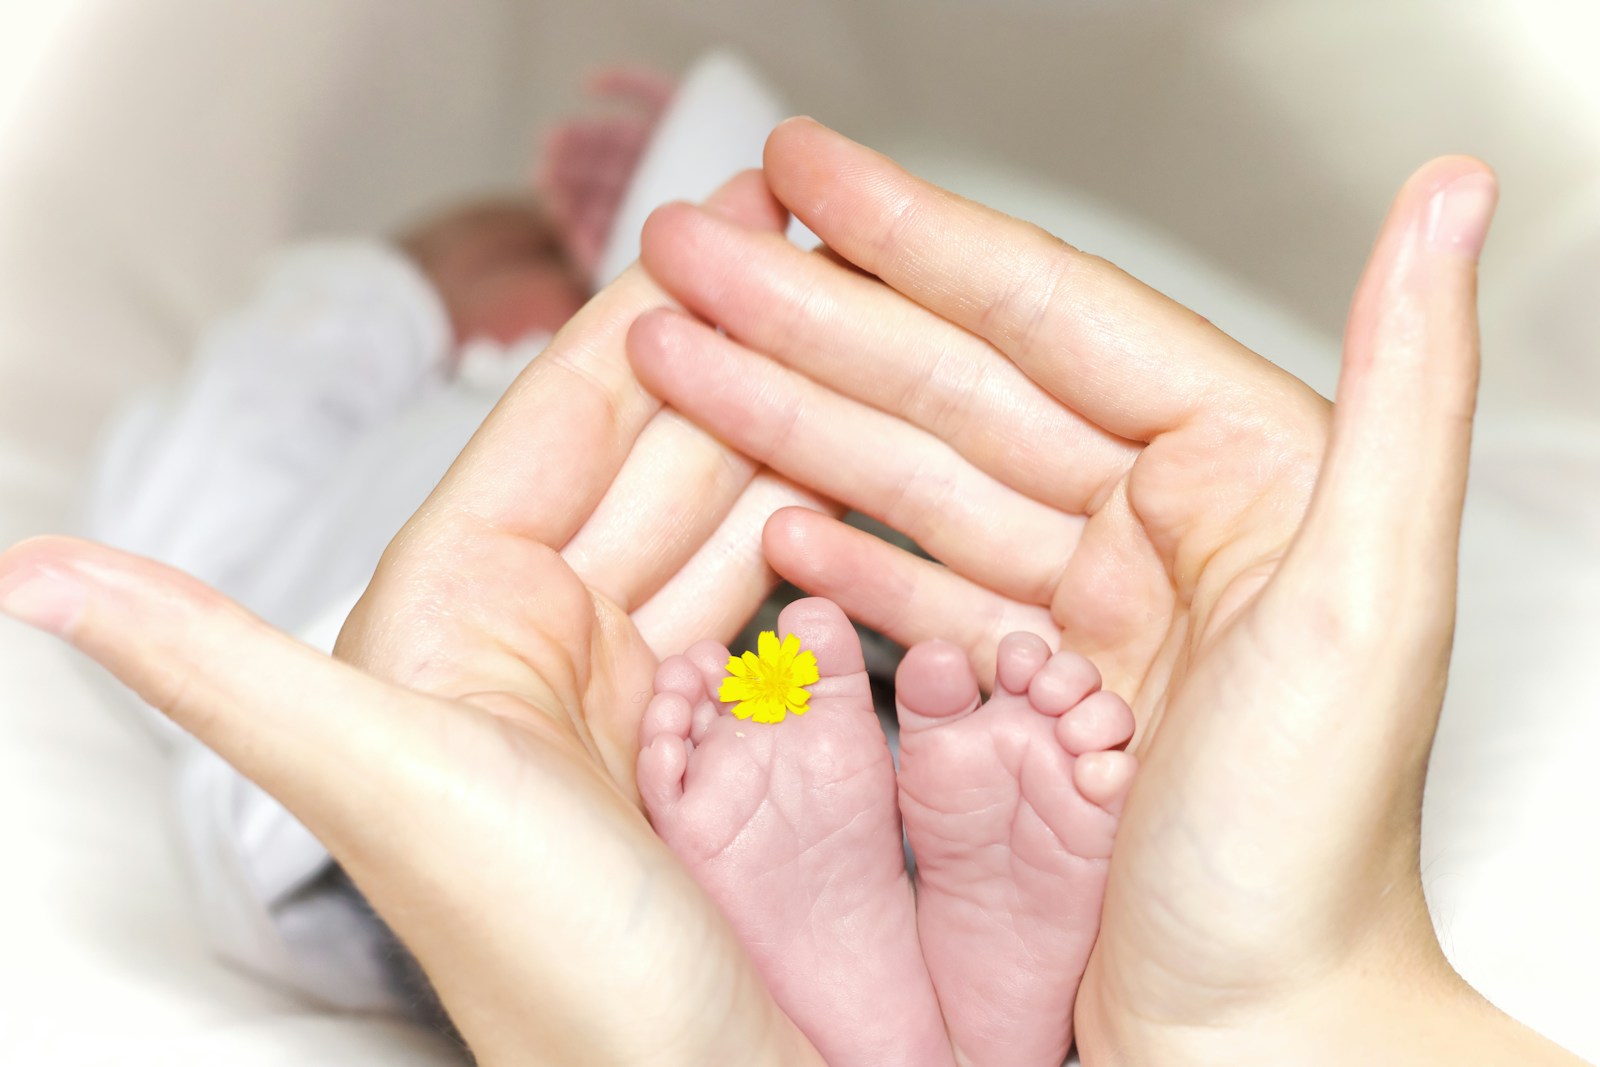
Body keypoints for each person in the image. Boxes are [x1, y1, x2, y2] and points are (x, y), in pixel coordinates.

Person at [0, 119, 1589, 1067]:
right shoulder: (403, 381)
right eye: (539, 266)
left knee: (846, 695)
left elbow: (201, 472)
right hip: (468, 685)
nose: (566, 281)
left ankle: (865, 954)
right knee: (824, 703)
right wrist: (382, 283)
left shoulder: (629, 426)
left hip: (649, 681)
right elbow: (231, 423)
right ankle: (915, 943)